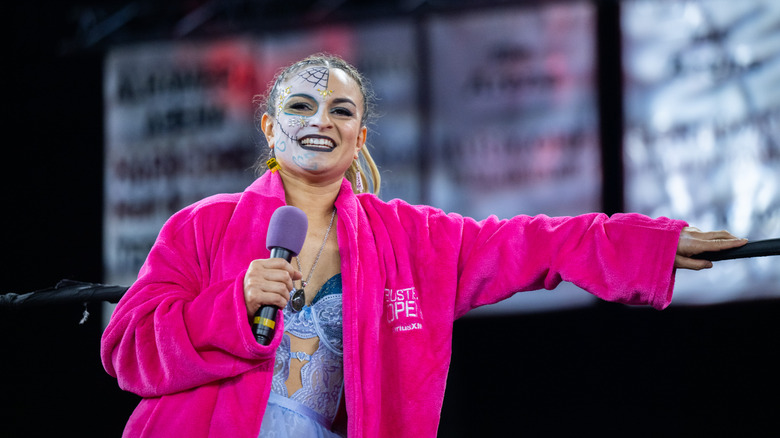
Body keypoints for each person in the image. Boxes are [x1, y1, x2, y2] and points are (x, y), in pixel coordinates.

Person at [100, 53, 747, 438]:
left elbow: (534, 244)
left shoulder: (409, 238)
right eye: (301, 105)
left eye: (341, 110)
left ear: (359, 138)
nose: (320, 121)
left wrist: (648, 243)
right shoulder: (200, 226)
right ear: (271, 128)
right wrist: (228, 304)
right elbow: (128, 351)